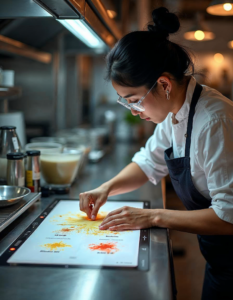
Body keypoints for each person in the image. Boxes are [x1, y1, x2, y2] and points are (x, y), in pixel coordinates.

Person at [79, 7, 233, 300]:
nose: (135, 112)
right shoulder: (175, 114)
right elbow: (148, 162)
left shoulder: (214, 121)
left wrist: (152, 216)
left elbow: (228, 217)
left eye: (135, 101)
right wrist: (106, 188)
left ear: (163, 84)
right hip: (219, 258)